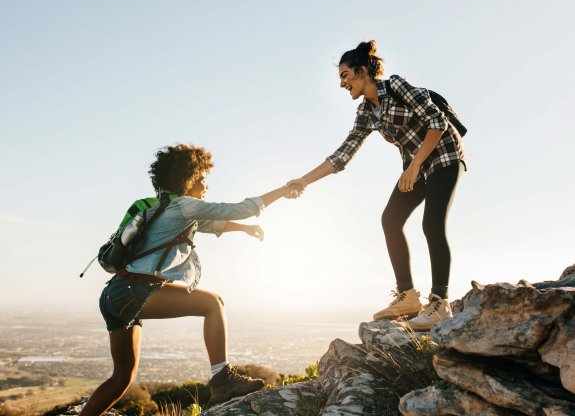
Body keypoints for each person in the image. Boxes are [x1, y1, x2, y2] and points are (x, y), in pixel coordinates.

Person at [80, 144, 296, 416]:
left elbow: (212, 224)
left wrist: (244, 229)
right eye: (203, 178)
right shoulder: (184, 205)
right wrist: (282, 191)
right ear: (190, 178)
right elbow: (239, 209)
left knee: (121, 378)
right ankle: (222, 379)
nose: (206, 185)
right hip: (136, 291)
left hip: (114, 296)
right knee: (213, 303)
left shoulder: (162, 207)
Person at [287, 40, 465, 331]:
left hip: (444, 155)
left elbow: (438, 122)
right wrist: (303, 181)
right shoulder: (366, 113)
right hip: (416, 167)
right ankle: (407, 296)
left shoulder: (396, 86)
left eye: (345, 75)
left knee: (431, 223)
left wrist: (414, 165)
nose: (342, 83)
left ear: (362, 71)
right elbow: (342, 156)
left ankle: (439, 302)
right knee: (390, 219)